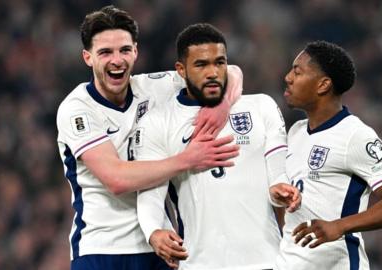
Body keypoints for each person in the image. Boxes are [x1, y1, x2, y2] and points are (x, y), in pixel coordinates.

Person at [56, 5, 243, 270]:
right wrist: (186, 160)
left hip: (158, 242)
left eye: (124, 50)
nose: (117, 60)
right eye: (105, 52)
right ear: (88, 57)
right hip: (100, 248)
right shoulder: (77, 108)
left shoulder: (154, 87)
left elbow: (231, 71)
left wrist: (221, 104)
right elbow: (117, 179)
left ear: (136, 51)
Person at [136, 23, 301, 270]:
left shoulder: (260, 107)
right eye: (201, 65)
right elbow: (150, 191)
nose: (212, 72)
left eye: (219, 63)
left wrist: (280, 188)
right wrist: (154, 231)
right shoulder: (158, 122)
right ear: (181, 70)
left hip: (266, 261)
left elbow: (278, 169)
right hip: (200, 263)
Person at [274, 40, 382, 270]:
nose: (288, 77)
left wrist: (338, 226)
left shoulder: (355, 136)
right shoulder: (295, 132)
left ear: (323, 85)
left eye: (297, 71)